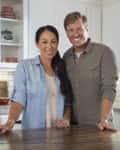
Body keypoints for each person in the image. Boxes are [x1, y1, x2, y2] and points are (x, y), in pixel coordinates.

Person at [0, 25, 72, 133]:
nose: (49, 46)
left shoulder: (62, 69)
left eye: (53, 41)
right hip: (33, 137)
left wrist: (66, 118)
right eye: (44, 42)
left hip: (59, 136)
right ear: (37, 43)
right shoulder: (24, 67)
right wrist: (10, 121)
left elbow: (67, 103)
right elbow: (19, 99)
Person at [63, 11, 118, 131]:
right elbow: (65, 92)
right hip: (73, 127)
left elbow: (109, 88)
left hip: (99, 126)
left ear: (86, 28)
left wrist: (103, 119)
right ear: (66, 33)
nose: (75, 34)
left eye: (79, 28)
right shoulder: (66, 57)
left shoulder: (104, 53)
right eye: (70, 30)